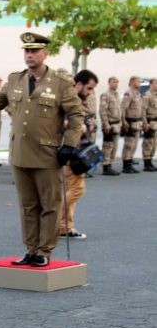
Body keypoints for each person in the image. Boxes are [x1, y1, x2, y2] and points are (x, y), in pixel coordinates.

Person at [0, 32, 83, 267]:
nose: (29, 55)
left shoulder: (60, 83)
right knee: (28, 206)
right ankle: (30, 249)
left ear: (45, 54)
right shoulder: (14, 80)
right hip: (20, 153)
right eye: (26, 51)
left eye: (34, 51)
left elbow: (77, 115)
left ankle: (44, 251)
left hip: (48, 155)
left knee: (49, 205)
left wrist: (69, 145)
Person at [59, 69, 99, 240]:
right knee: (76, 189)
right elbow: (61, 122)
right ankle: (55, 221)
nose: (90, 92)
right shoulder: (69, 100)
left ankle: (65, 226)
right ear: (79, 84)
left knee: (71, 188)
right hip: (71, 150)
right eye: (89, 88)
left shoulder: (77, 100)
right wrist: (78, 125)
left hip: (78, 149)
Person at [99, 76, 122, 176]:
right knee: (108, 146)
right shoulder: (105, 95)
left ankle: (110, 165)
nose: (116, 84)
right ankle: (106, 166)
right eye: (114, 82)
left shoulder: (116, 95)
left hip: (117, 124)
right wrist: (106, 124)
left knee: (114, 146)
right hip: (109, 124)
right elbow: (103, 111)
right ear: (109, 83)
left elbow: (119, 110)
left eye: (117, 82)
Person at [120, 76, 143, 174]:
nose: (140, 83)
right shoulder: (128, 93)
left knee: (134, 145)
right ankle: (125, 166)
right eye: (138, 81)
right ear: (132, 82)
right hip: (129, 122)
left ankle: (130, 164)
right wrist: (124, 121)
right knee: (128, 145)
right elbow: (123, 108)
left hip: (137, 123)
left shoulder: (137, 94)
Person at [141, 78, 157, 172]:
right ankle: (146, 163)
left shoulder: (156, 95)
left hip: (156, 122)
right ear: (151, 84)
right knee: (148, 143)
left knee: (154, 144)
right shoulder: (148, 95)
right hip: (150, 122)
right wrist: (145, 123)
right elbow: (143, 110)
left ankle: (150, 161)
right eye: (155, 83)